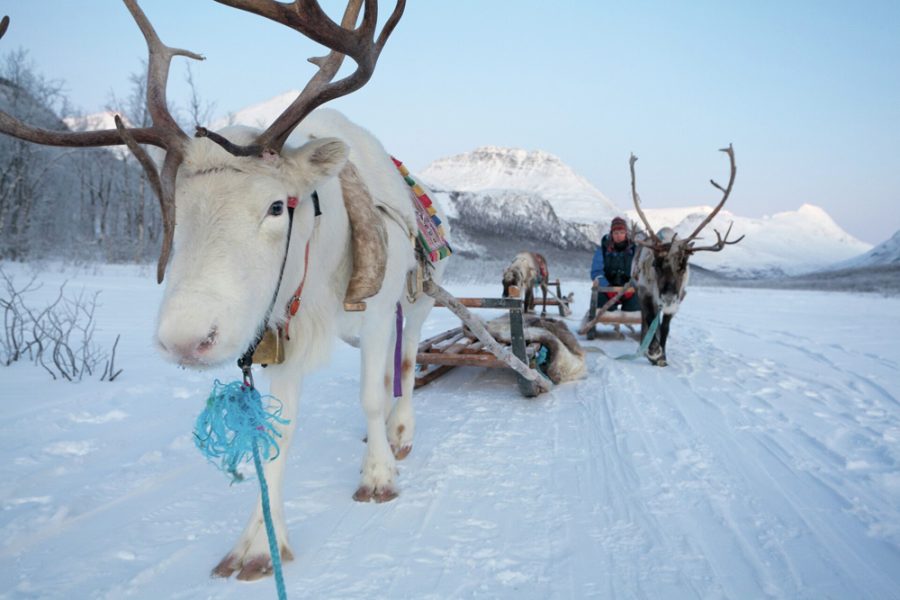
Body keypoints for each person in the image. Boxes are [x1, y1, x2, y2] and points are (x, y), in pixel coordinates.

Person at [590, 216, 639, 313]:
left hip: (629, 290)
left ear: (626, 233)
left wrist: (633, 284)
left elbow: (639, 271)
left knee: (634, 312)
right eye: (616, 233)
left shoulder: (635, 251)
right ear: (611, 234)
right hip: (607, 290)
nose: (619, 236)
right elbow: (596, 272)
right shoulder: (602, 250)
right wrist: (607, 287)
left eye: (621, 233)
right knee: (604, 313)